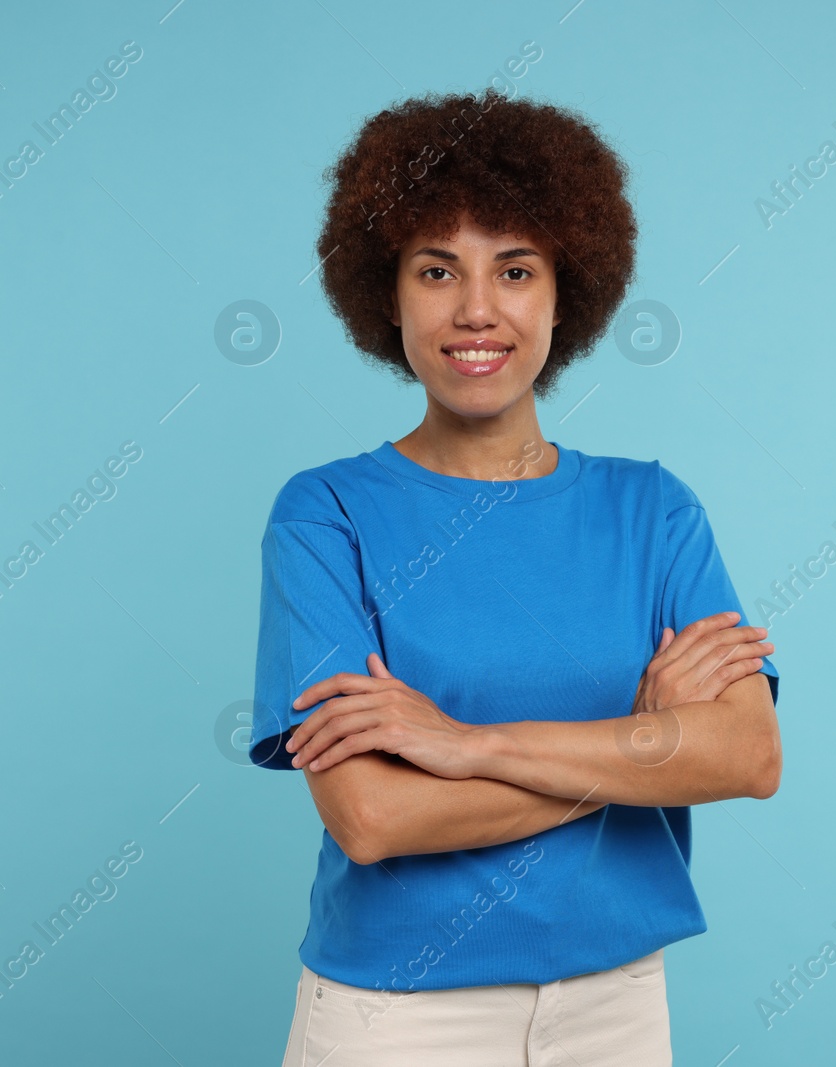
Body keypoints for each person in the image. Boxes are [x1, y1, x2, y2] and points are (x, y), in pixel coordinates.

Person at [252, 88, 782, 1066]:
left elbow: (747, 755)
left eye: (515, 268)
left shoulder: (652, 510)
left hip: (616, 999)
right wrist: (636, 749)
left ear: (563, 289)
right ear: (388, 291)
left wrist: (466, 743)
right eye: (436, 268)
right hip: (396, 1011)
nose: (477, 308)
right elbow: (372, 818)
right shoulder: (325, 515)